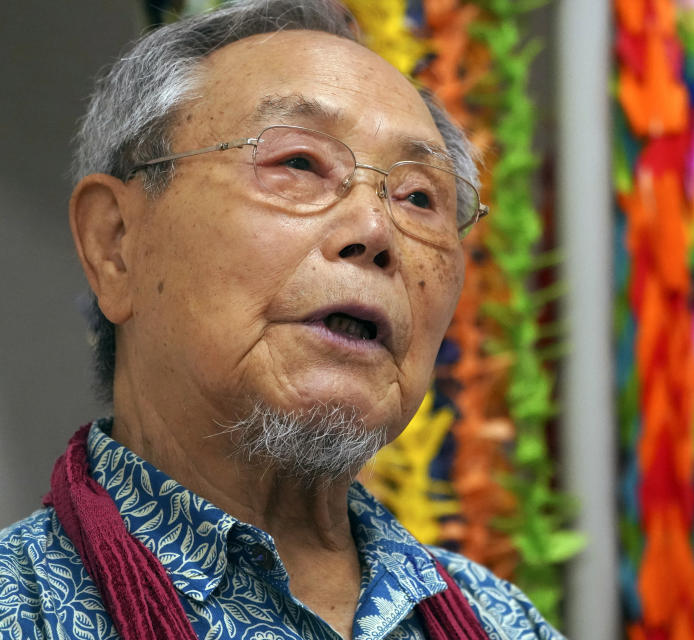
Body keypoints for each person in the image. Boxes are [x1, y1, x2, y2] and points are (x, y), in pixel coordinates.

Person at [0, 1, 561, 638]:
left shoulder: (502, 620)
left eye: (419, 197)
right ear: (117, 243)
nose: (377, 231)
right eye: (298, 163)